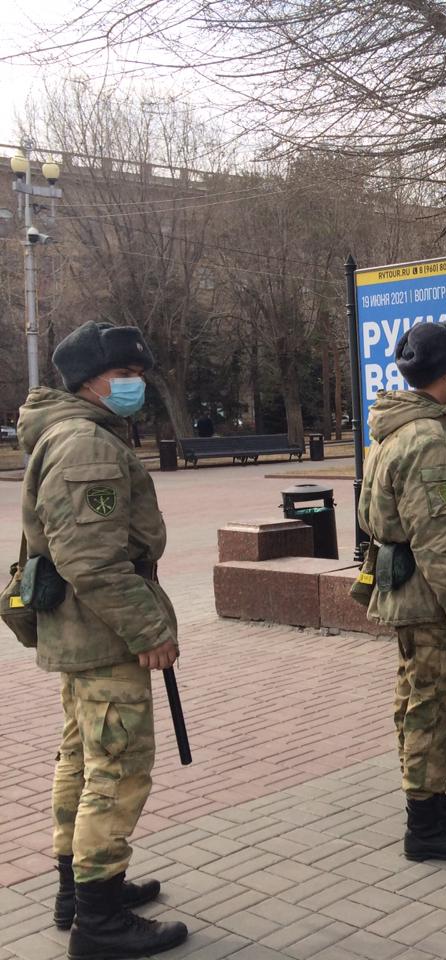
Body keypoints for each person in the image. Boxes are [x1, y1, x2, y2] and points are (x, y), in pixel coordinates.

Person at [17, 321, 188, 958]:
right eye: (127, 375)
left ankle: (81, 891)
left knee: (83, 759)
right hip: (106, 631)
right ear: (92, 381)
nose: (136, 385)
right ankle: (99, 922)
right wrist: (148, 629)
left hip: (84, 630)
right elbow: (93, 561)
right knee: (116, 769)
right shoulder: (85, 445)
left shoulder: (78, 433)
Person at [358, 321, 446, 862]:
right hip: (430, 598)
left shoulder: (395, 429)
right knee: (433, 705)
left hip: (408, 589)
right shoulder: (428, 441)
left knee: (421, 698)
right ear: (444, 371)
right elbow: (439, 543)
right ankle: (424, 825)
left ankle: (434, 801)